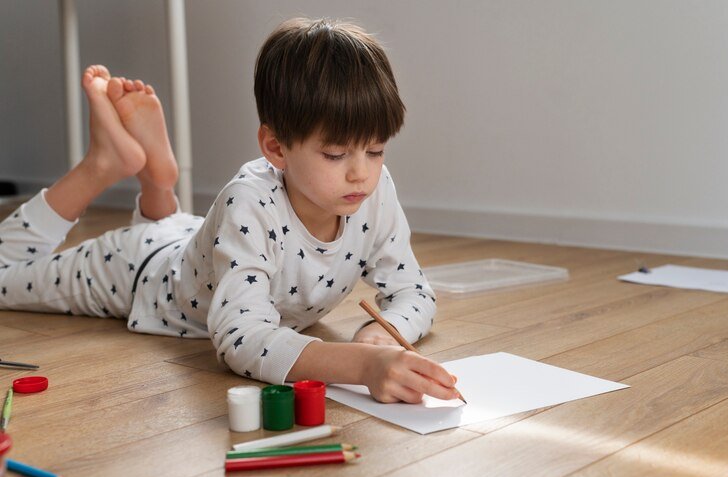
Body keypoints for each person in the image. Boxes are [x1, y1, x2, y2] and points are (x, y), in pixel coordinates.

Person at [0, 18, 460, 404]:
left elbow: (415, 292)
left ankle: (158, 183)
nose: (362, 174)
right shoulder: (250, 202)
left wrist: (381, 335)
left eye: (376, 150)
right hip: (136, 270)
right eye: (336, 155)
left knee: (174, 233)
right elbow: (242, 341)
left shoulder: (372, 193)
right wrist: (363, 364)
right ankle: (101, 166)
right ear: (275, 148)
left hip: (193, 244)